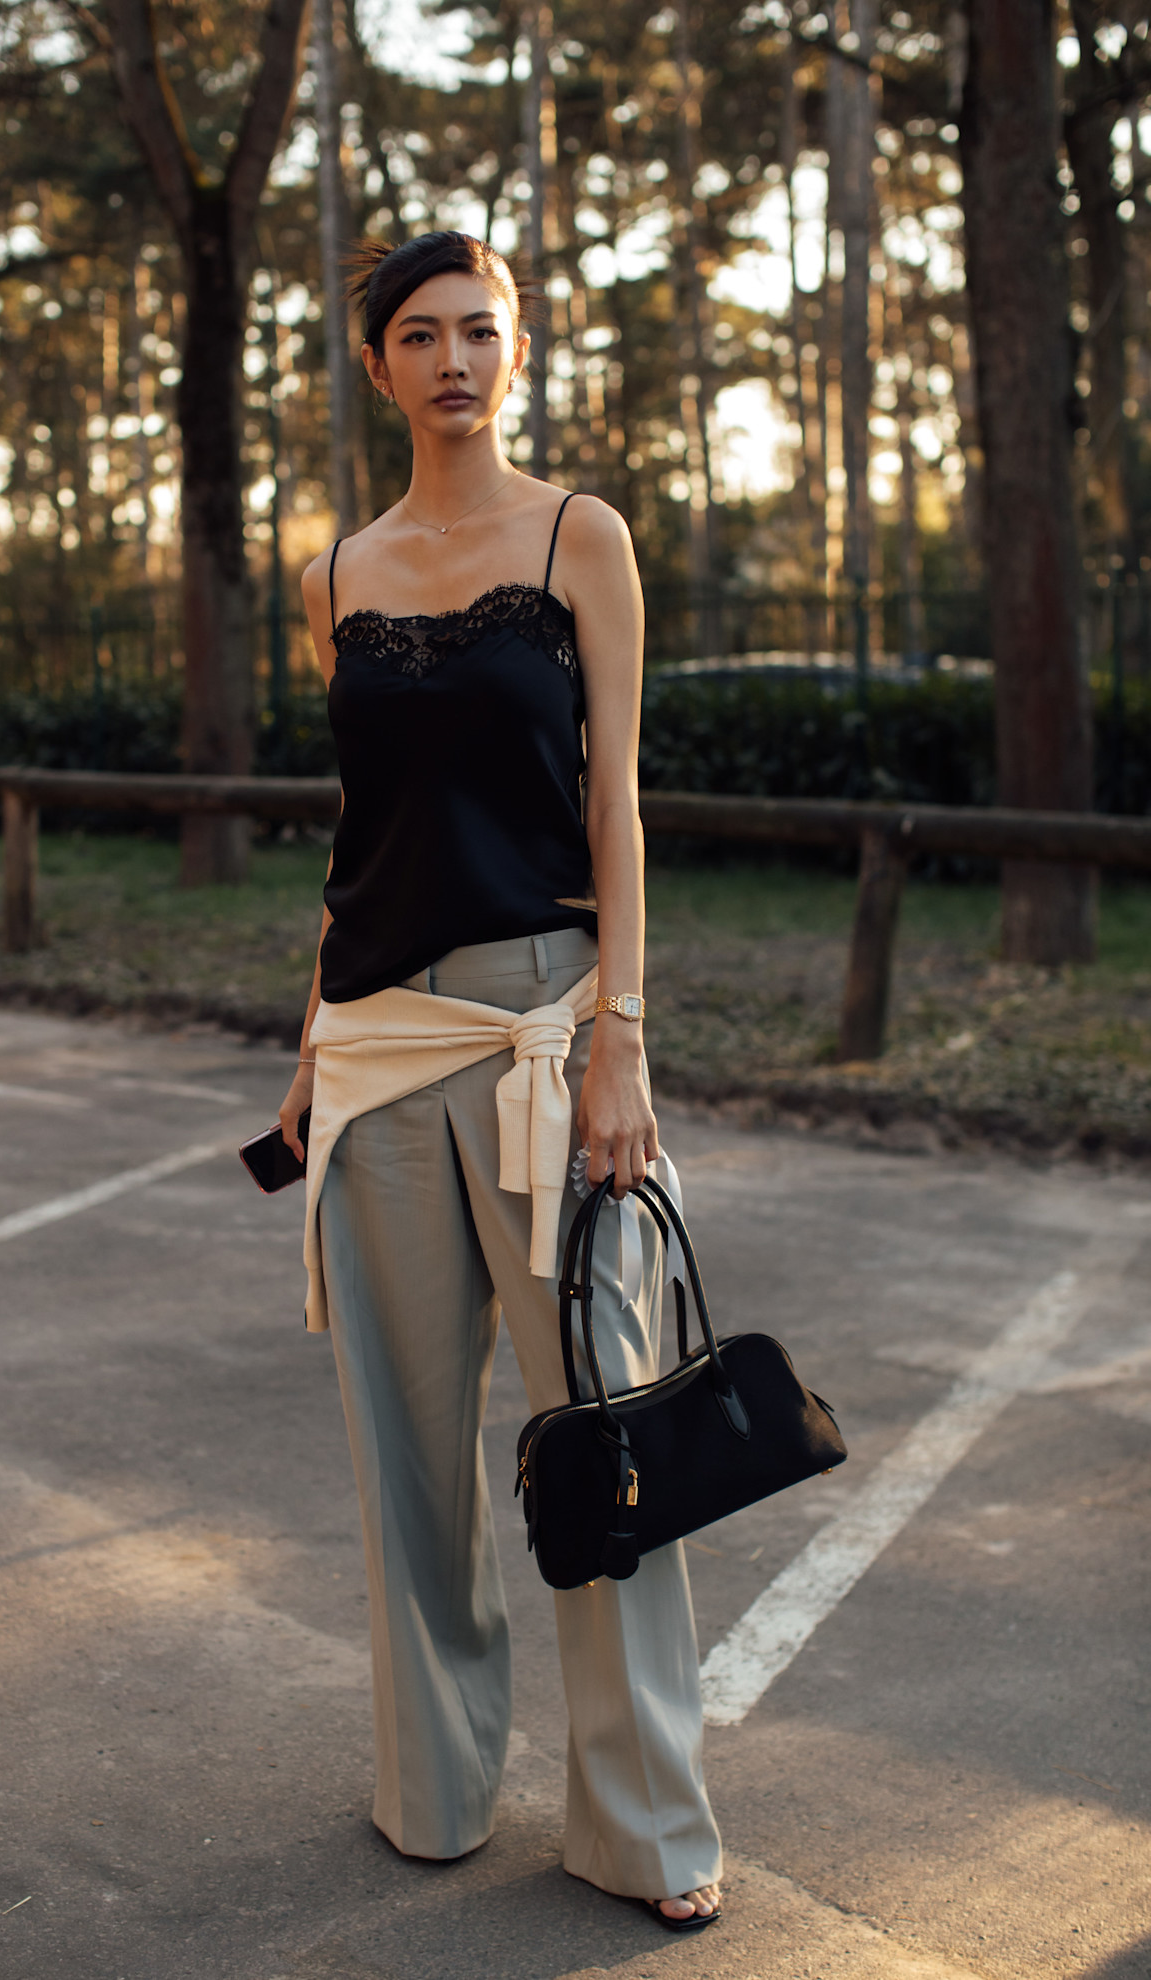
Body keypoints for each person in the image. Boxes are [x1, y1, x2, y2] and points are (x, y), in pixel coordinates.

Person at [276, 231, 722, 1932]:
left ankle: (643, 1828)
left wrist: (624, 1030)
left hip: (549, 1034)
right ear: (375, 367)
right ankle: (434, 1793)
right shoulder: (335, 573)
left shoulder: (576, 536)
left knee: (604, 1435)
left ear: (516, 351)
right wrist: (310, 1040)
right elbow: (357, 841)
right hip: (382, 1043)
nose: (454, 357)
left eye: (484, 329)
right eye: (420, 334)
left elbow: (612, 805)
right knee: (407, 1454)